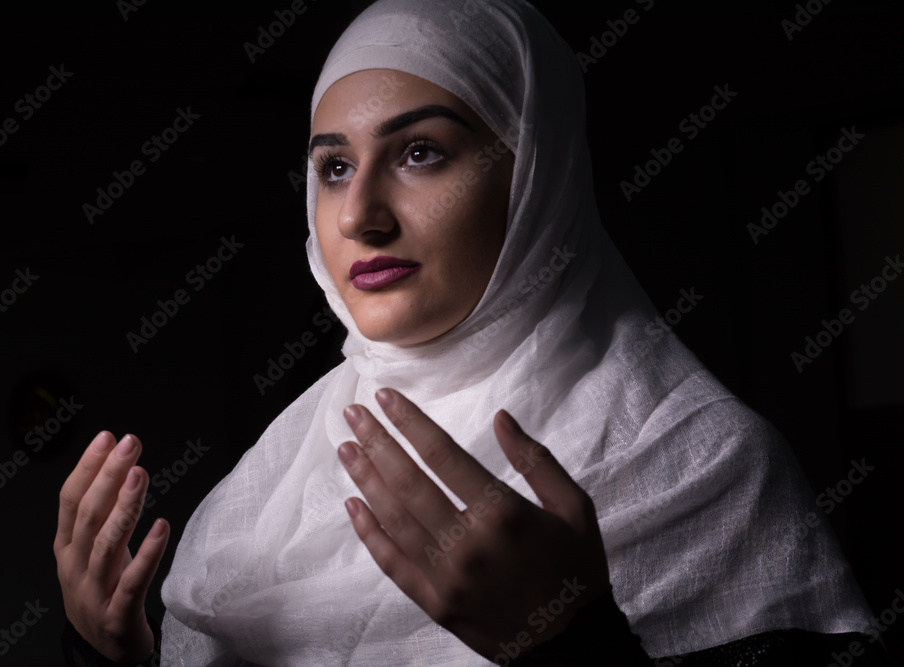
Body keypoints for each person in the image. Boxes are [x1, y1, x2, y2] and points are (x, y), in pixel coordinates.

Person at [55, 1, 889, 665]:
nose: (359, 214)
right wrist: (112, 658)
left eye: (420, 152)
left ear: (534, 177)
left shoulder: (702, 460)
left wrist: (572, 648)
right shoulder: (270, 487)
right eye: (334, 166)